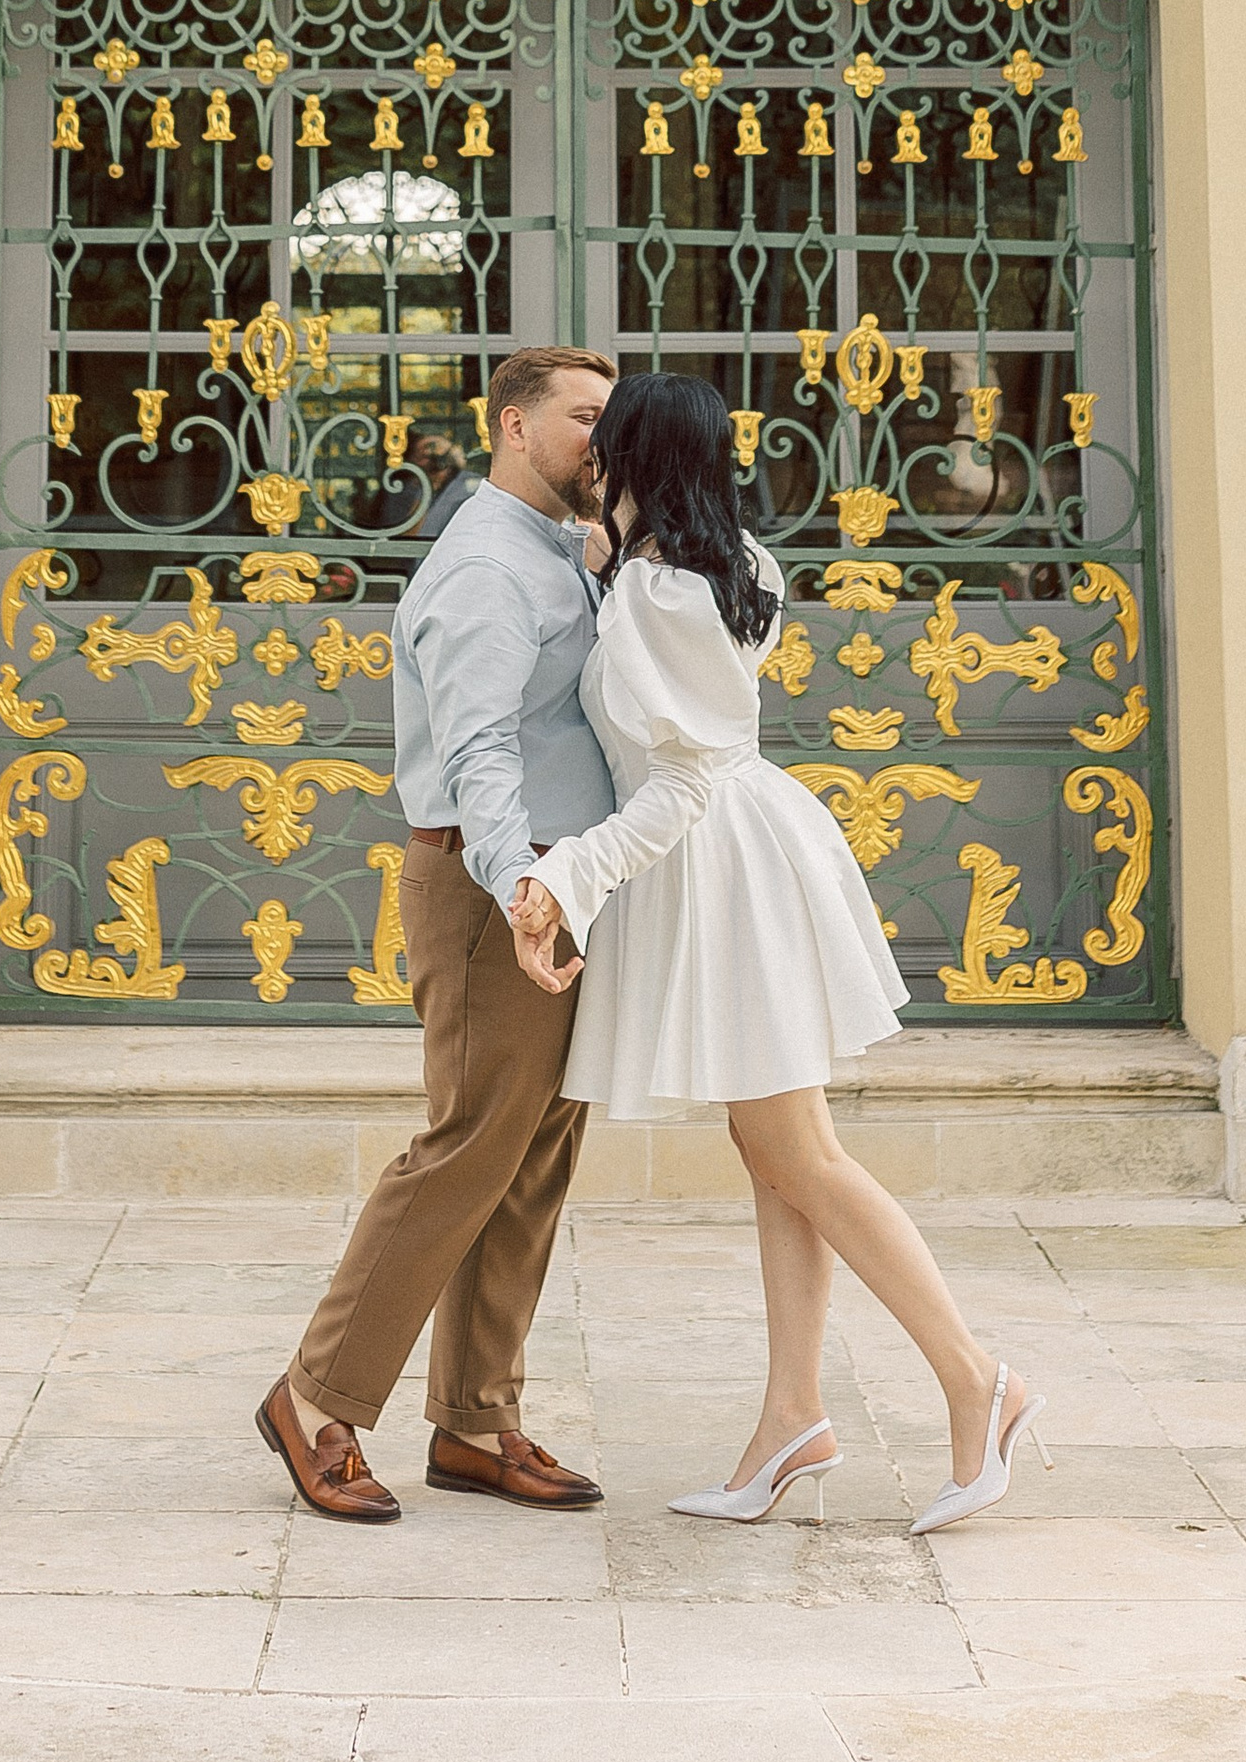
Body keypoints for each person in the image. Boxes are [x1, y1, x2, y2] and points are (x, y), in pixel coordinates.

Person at [511, 371, 1050, 1534]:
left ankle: (976, 1379)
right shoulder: (735, 566)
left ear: (631, 456)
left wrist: (565, 876)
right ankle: (791, 1416)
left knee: (799, 1153)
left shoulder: (657, 592)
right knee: (779, 1156)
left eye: (607, 440)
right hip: (747, 850)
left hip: (718, 864)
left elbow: (680, 783)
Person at [258, 344, 618, 1523]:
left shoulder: (560, 550)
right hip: (491, 884)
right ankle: (314, 1399)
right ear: (512, 424)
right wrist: (522, 889)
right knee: (466, 1148)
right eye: (582, 416)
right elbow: (480, 751)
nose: (601, 437)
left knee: (531, 1154)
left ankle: (473, 1420)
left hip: (554, 880)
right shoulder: (482, 569)